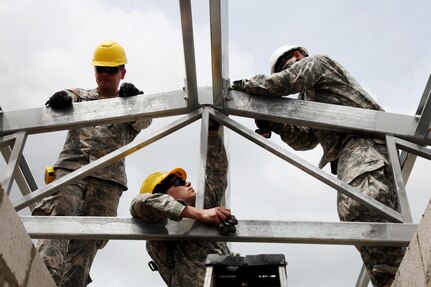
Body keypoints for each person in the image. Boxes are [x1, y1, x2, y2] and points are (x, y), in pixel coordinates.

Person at [231, 45, 404, 287]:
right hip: (347, 154)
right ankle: (388, 275)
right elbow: (306, 140)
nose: (284, 71)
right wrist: (276, 123)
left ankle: (396, 266)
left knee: (363, 202)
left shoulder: (319, 64)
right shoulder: (307, 99)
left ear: (297, 56)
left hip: (364, 140)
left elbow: (284, 82)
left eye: (283, 66)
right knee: (353, 218)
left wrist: (237, 86)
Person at [32, 40, 152, 287]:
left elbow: (145, 121)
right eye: (100, 69)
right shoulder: (82, 97)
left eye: (110, 70)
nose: (104, 75)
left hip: (107, 184)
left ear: (122, 72)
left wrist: (136, 101)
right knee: (61, 215)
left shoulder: (131, 103)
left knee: (88, 238)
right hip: (71, 172)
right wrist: (62, 97)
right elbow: (68, 97)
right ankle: (40, 278)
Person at [130, 121, 235, 287]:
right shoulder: (157, 227)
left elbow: (217, 172)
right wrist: (200, 214)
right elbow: (141, 203)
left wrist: (213, 130)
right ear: (161, 193)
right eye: (178, 182)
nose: (187, 183)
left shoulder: (204, 204)